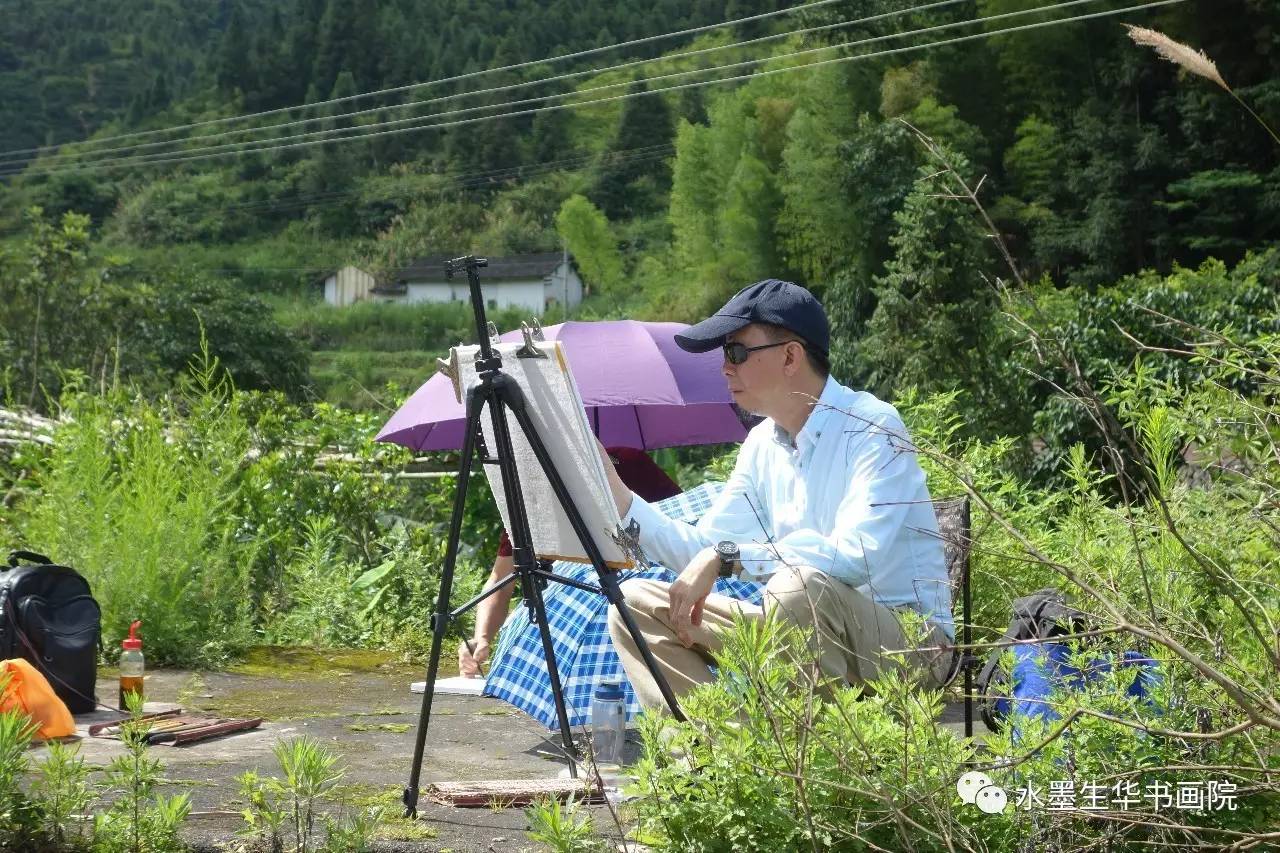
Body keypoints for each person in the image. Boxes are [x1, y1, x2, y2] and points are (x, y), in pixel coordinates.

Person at [602, 279, 956, 709]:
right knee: (635, 608)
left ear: (790, 356)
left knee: (796, 587)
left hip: (911, 647)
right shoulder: (763, 444)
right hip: (801, 620)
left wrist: (728, 556)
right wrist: (618, 496)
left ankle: (811, 766)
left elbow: (856, 557)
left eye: (736, 353)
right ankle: (717, 758)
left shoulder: (872, 426)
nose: (725, 368)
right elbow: (705, 549)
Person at [458, 446, 682, 677]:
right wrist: (481, 637)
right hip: (576, 628)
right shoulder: (529, 498)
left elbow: (682, 520)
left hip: (653, 607)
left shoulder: (629, 463)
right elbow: (501, 580)